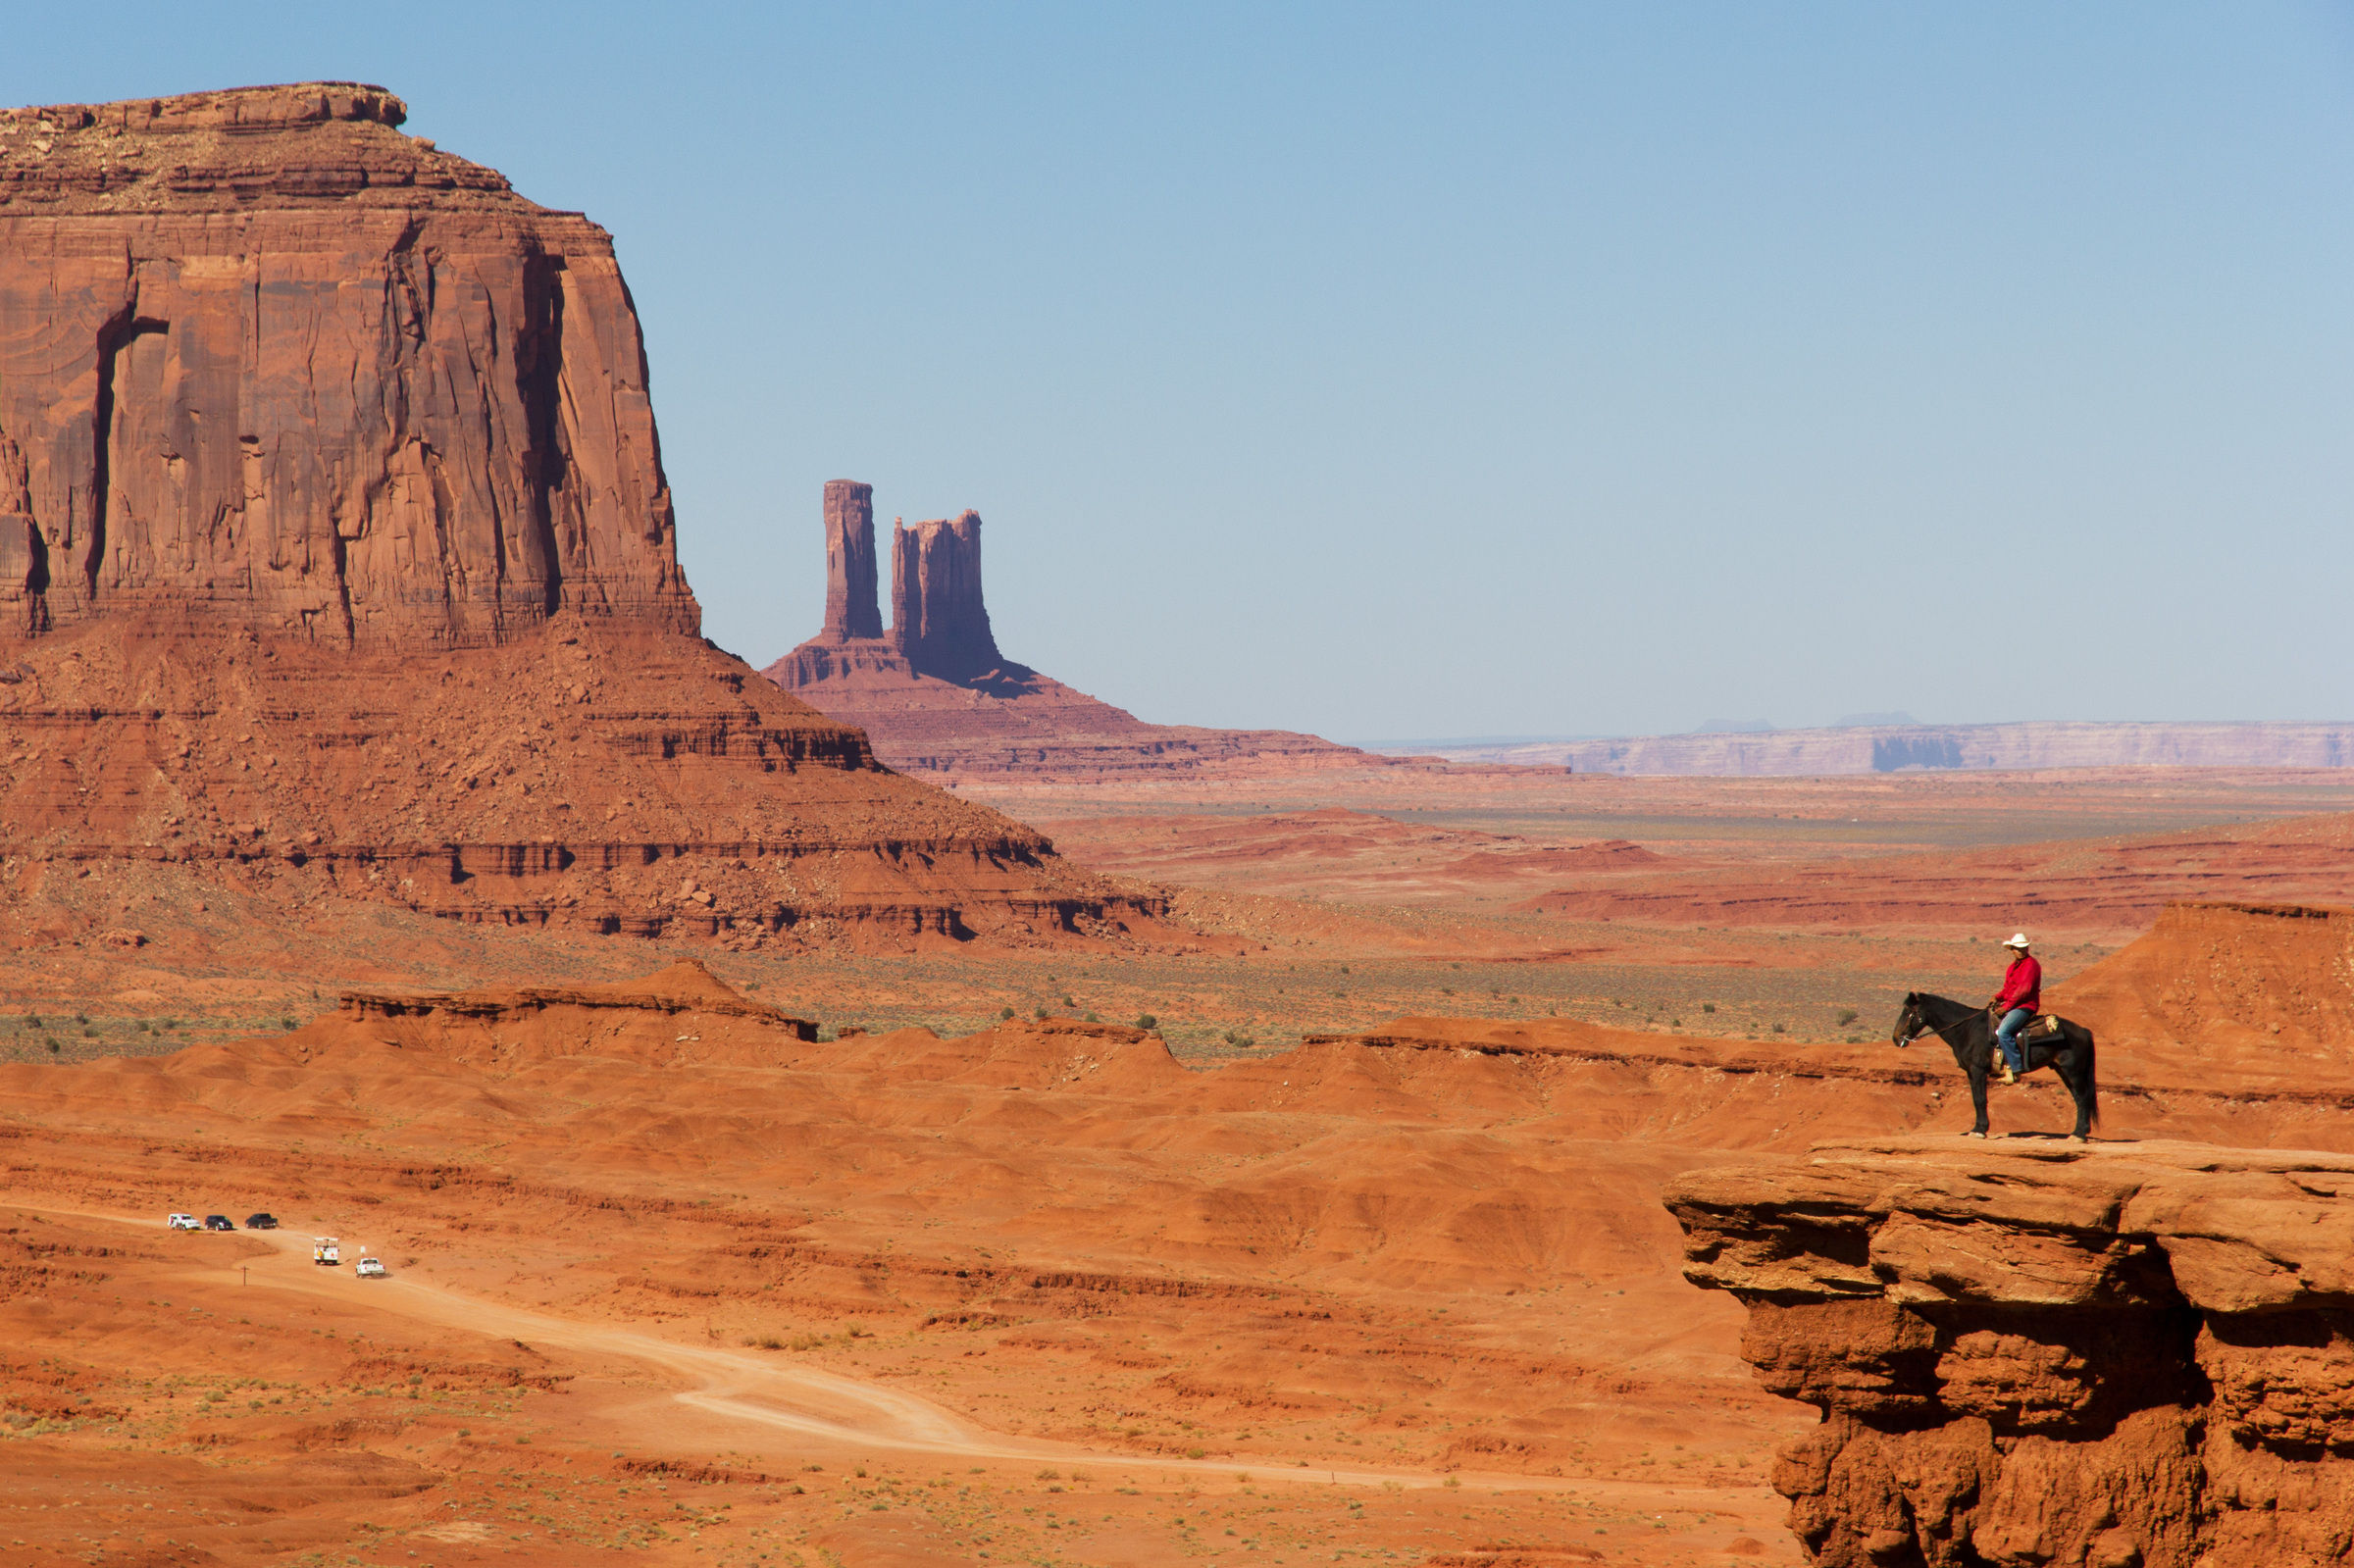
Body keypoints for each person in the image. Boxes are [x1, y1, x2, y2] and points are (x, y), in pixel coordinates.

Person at [1989, 933, 2041, 1084]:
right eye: (2017, 948)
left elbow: (2024, 990)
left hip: (2026, 1006)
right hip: (2014, 1004)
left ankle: (2015, 1069)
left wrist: (2006, 1007)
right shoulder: (2012, 967)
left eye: (2023, 947)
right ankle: (1997, 1064)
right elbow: (2008, 990)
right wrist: (1997, 997)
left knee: (2004, 1031)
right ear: (2011, 949)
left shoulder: (2031, 965)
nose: (2021, 950)